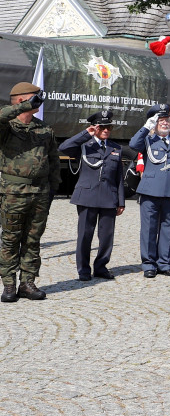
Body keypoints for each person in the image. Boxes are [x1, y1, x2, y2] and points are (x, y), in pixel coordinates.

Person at [0, 83, 59, 302]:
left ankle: (27, 282)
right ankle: (8, 285)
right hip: (13, 192)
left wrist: (53, 189)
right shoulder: (8, 127)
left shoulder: (44, 129)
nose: (38, 101)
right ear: (19, 101)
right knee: (10, 239)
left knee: (33, 240)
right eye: (33, 99)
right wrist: (22, 107)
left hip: (40, 192)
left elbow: (53, 161)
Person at [58, 109, 125, 282]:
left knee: (106, 237)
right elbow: (63, 148)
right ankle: (83, 270)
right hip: (87, 196)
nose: (106, 130)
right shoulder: (84, 145)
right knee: (85, 236)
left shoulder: (116, 148)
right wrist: (85, 134)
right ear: (94, 127)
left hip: (109, 197)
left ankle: (101, 267)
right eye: (102, 127)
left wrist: (121, 201)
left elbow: (118, 177)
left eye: (108, 126)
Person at [129, 103, 170, 278]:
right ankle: (148, 264)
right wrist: (148, 126)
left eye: (167, 119)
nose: (164, 123)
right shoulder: (148, 139)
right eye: (160, 120)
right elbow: (133, 144)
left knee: (167, 228)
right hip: (150, 190)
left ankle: (164, 262)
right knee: (149, 229)